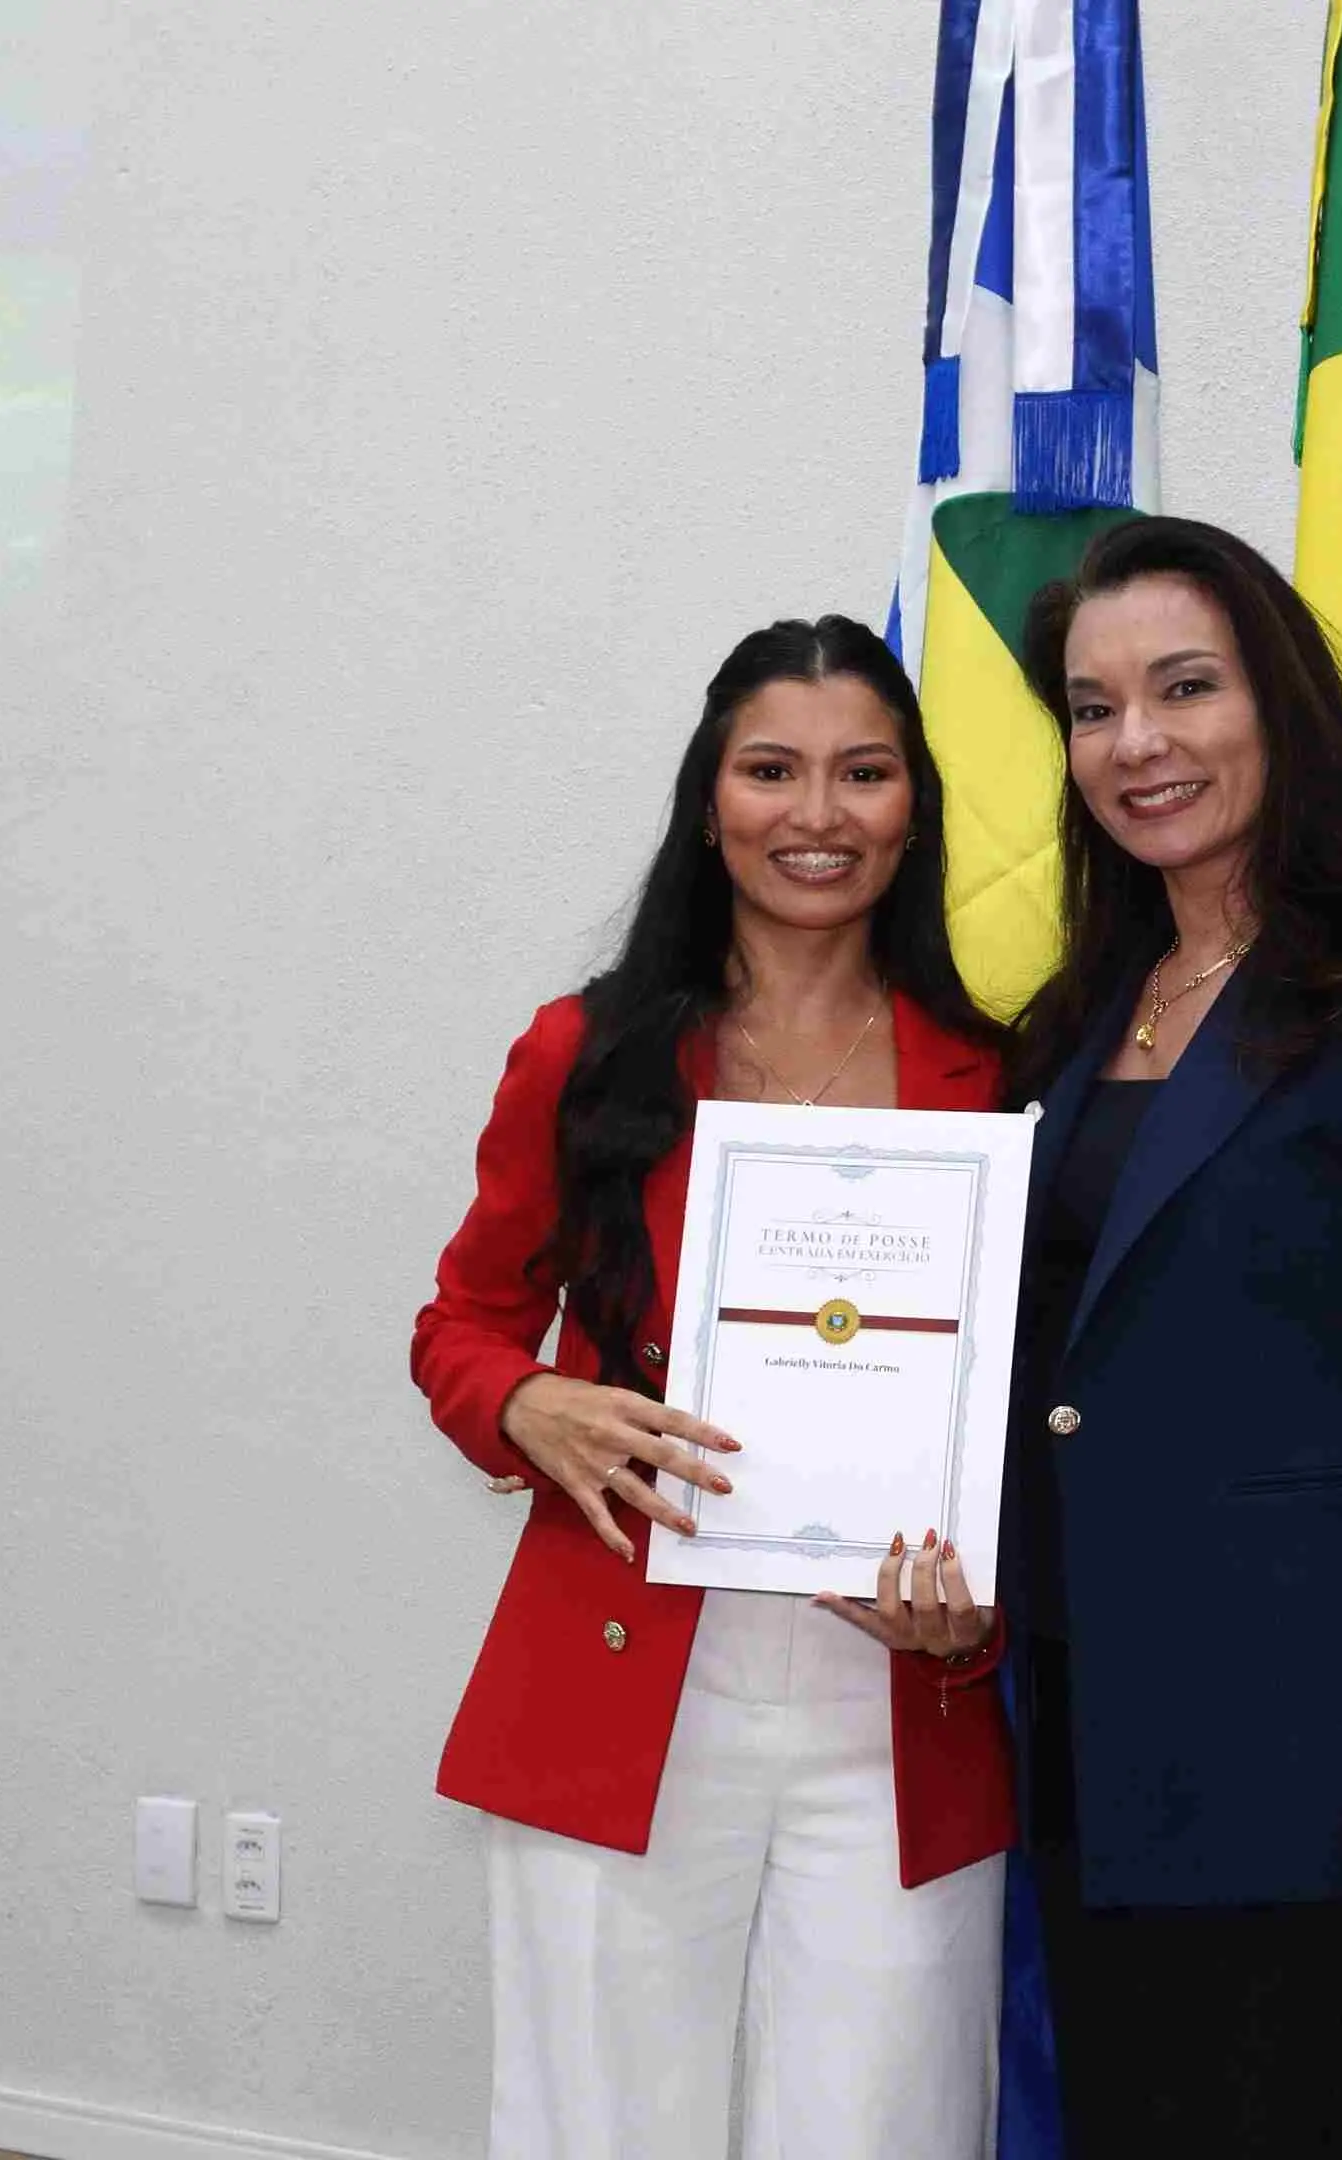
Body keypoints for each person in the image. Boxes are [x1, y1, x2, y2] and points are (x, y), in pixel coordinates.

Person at [410, 616, 1017, 2160]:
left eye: (863, 774)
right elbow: (464, 1325)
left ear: (913, 807)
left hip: (900, 1698)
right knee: (601, 2128)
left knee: (883, 2129)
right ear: (710, 802)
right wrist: (527, 1407)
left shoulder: (999, 1074)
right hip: (622, 1677)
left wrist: (983, 1606)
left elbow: (1040, 1409)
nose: (817, 815)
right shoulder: (584, 1053)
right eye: (773, 771)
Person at [997, 518, 1342, 2157]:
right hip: (1087, 1713)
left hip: (1297, 1735)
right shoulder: (1082, 1015)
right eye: (1094, 709)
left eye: (1184, 689)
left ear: (1277, 708)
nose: (1137, 743)